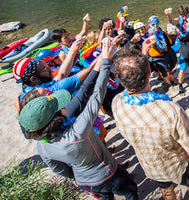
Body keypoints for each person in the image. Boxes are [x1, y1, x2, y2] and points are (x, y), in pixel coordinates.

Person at [18, 40, 138, 200]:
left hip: (84, 181)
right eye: (57, 103)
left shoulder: (42, 147)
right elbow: (96, 94)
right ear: (56, 115)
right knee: (130, 191)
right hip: (107, 172)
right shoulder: (78, 129)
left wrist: (74, 177)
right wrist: (106, 62)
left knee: (106, 197)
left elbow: (59, 169)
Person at [111, 45, 189, 200]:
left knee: (167, 192)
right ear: (149, 73)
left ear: (119, 79)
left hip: (152, 166)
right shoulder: (169, 110)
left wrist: (143, 54)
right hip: (179, 165)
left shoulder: (117, 102)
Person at [165, 5, 189, 95]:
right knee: (183, 68)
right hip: (184, 44)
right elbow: (171, 21)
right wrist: (168, 15)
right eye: (182, 15)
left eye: (186, 15)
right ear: (179, 14)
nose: (184, 17)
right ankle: (181, 85)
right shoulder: (178, 20)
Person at [145, 16, 177, 89]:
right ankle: (169, 84)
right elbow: (144, 42)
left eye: (157, 23)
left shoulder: (161, 32)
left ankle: (172, 80)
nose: (155, 26)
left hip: (166, 54)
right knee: (164, 72)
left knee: (170, 68)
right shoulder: (148, 35)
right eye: (153, 24)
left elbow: (169, 42)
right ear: (150, 25)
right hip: (157, 57)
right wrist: (149, 35)